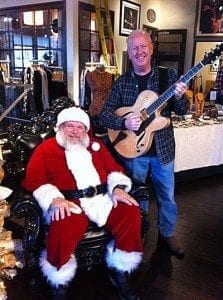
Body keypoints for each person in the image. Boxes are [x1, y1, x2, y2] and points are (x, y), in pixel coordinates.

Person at [21, 106, 143, 300]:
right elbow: (33, 178)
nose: (75, 132)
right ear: (60, 127)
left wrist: (117, 188)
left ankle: (119, 271)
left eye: (80, 127)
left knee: (130, 211)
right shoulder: (47, 148)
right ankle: (58, 281)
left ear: (86, 130)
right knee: (63, 223)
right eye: (70, 126)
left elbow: (114, 169)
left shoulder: (96, 146)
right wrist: (54, 198)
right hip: (68, 201)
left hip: (102, 199)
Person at [99, 30, 188, 259]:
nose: (139, 52)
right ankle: (140, 232)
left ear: (151, 49)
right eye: (134, 48)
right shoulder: (122, 81)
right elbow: (104, 115)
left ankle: (167, 234)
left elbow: (181, 111)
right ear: (129, 53)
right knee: (139, 194)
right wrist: (124, 121)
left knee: (166, 194)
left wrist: (180, 97)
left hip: (163, 149)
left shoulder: (167, 77)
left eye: (143, 47)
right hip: (134, 149)